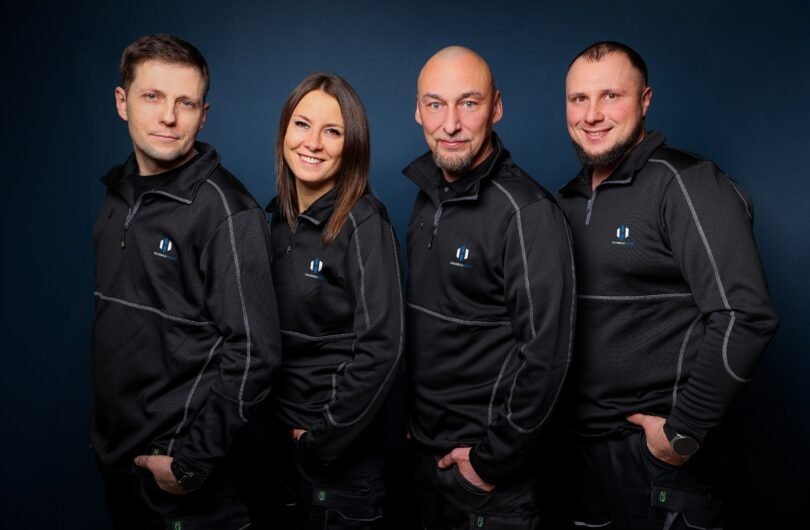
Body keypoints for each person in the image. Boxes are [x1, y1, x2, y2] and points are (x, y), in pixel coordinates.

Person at [557, 41, 779, 529]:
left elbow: (745, 314)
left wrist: (684, 432)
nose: (592, 114)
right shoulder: (566, 201)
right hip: (579, 458)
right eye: (579, 99)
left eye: (611, 96)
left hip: (659, 461)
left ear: (645, 101)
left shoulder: (685, 182)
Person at [91, 33, 281, 529]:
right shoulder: (118, 195)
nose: (169, 117)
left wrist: (192, 461)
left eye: (186, 102)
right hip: (119, 465)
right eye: (152, 96)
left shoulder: (227, 211)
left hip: (184, 479)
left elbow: (256, 352)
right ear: (122, 102)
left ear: (203, 114)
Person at [404, 46, 576, 529]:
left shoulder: (527, 211)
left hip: (487, 480)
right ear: (418, 110)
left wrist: (490, 462)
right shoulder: (426, 198)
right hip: (426, 459)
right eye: (435, 104)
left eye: (469, 103)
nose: (451, 124)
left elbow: (548, 356)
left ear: (496, 108)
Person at [264, 73, 403, 529]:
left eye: (333, 131)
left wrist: (320, 442)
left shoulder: (364, 222)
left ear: (352, 145)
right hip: (276, 452)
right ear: (285, 131)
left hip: (338, 462)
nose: (313, 143)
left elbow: (382, 347)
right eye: (302, 124)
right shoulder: (275, 219)